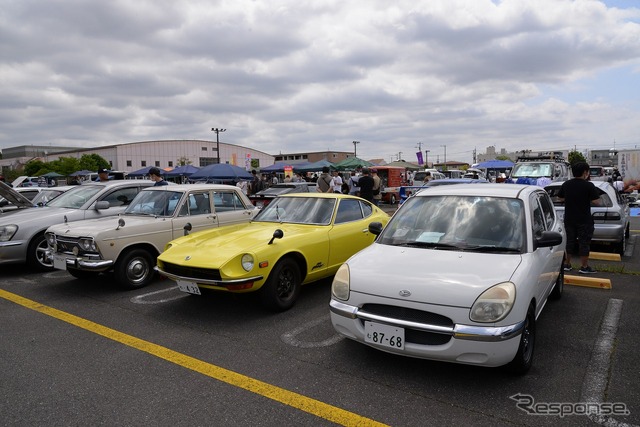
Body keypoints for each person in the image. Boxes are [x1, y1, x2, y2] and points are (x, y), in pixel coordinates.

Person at [558, 162, 601, 274]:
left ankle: (567, 264)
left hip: (569, 219)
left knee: (569, 242)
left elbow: (560, 198)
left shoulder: (566, 184)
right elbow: (596, 201)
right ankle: (584, 267)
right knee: (584, 243)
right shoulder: (589, 185)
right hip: (584, 220)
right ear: (585, 172)